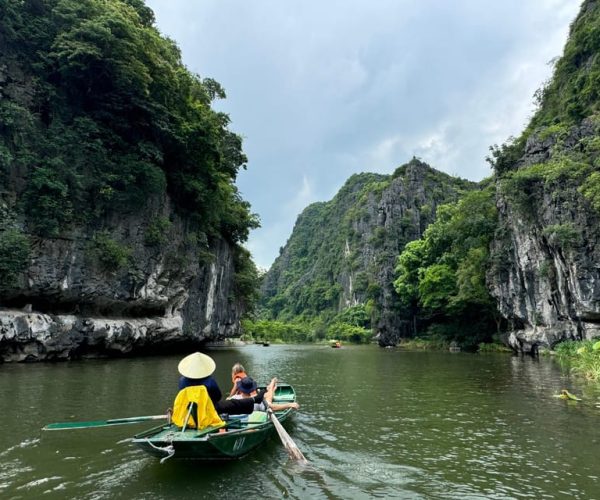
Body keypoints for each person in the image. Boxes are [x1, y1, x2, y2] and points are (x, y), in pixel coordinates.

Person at [176, 352, 263, 416]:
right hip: (208, 409)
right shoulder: (209, 381)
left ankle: (254, 400)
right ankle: (254, 400)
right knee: (232, 404)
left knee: (230, 402)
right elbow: (218, 397)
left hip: (187, 410)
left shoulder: (182, 381)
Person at [231, 376, 299, 412]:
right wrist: (290, 404)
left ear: (240, 389)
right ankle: (271, 385)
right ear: (252, 389)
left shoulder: (233, 399)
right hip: (254, 422)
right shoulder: (257, 401)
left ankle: (271, 387)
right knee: (267, 399)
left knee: (266, 397)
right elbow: (272, 407)